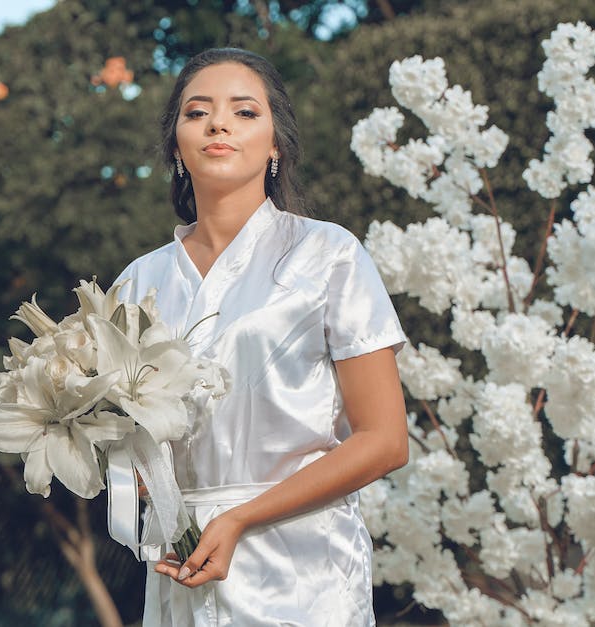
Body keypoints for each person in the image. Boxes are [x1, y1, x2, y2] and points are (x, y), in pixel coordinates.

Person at [113, 47, 409, 626]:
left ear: (276, 144)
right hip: (182, 560)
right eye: (197, 112)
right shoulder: (136, 283)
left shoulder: (328, 256)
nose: (218, 123)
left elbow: (385, 440)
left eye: (244, 112)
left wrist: (241, 517)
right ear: (176, 145)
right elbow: (129, 445)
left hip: (303, 571)